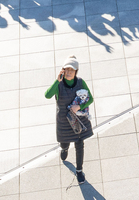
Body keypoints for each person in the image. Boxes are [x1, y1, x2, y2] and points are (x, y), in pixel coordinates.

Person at [46, 56, 93, 184]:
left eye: (71, 70)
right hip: (63, 120)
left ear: (76, 71)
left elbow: (90, 99)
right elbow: (47, 95)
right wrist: (57, 81)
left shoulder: (80, 82)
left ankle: (79, 171)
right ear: (63, 71)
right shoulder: (59, 84)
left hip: (78, 119)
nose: (69, 72)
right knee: (64, 143)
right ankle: (64, 149)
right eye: (66, 69)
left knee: (79, 144)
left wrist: (80, 106)